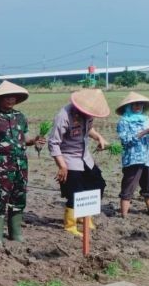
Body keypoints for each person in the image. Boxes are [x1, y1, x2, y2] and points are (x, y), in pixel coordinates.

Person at [0, 81, 45, 244]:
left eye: (13, 97)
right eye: (6, 97)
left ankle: (15, 234)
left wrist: (35, 141)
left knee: (19, 197)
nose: (10, 99)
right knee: (0, 199)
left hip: (21, 165)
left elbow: (23, 140)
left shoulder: (20, 117)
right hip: (1, 166)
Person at [47, 89, 110, 235]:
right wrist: (62, 166)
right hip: (69, 159)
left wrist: (98, 137)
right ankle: (70, 225)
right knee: (75, 192)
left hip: (85, 158)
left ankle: (83, 217)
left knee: (98, 184)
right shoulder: (64, 116)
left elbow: (89, 129)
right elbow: (53, 143)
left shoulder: (88, 115)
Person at [115, 92, 149, 217]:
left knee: (148, 187)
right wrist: (146, 131)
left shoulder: (147, 120)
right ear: (129, 106)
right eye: (135, 104)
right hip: (133, 159)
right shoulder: (124, 122)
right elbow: (126, 142)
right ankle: (124, 216)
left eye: (140, 104)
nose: (138, 106)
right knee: (128, 188)